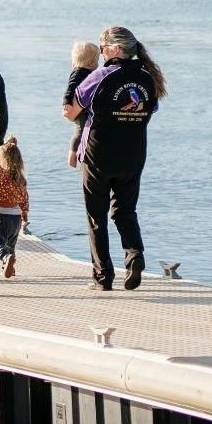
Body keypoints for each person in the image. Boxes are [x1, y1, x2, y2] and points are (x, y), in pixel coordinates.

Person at [65, 26, 165, 291]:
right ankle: (135, 255)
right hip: (133, 154)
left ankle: (103, 277)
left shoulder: (100, 76)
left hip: (98, 154)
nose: (100, 52)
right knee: (125, 210)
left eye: (102, 46)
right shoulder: (147, 78)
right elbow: (151, 108)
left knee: (96, 215)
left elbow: (71, 109)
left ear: (115, 49)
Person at [0, 136, 29, 279]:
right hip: (16, 219)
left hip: (1, 216)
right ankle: (10, 269)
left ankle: (6, 258)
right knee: (10, 246)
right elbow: (25, 199)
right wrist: (25, 217)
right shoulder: (20, 178)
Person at [63, 40, 98, 168]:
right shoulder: (79, 72)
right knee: (81, 132)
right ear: (90, 62)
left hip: (83, 107)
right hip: (78, 109)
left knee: (80, 131)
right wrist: (66, 102)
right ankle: (73, 155)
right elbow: (70, 88)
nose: (98, 64)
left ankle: (76, 155)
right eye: (96, 61)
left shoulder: (86, 72)